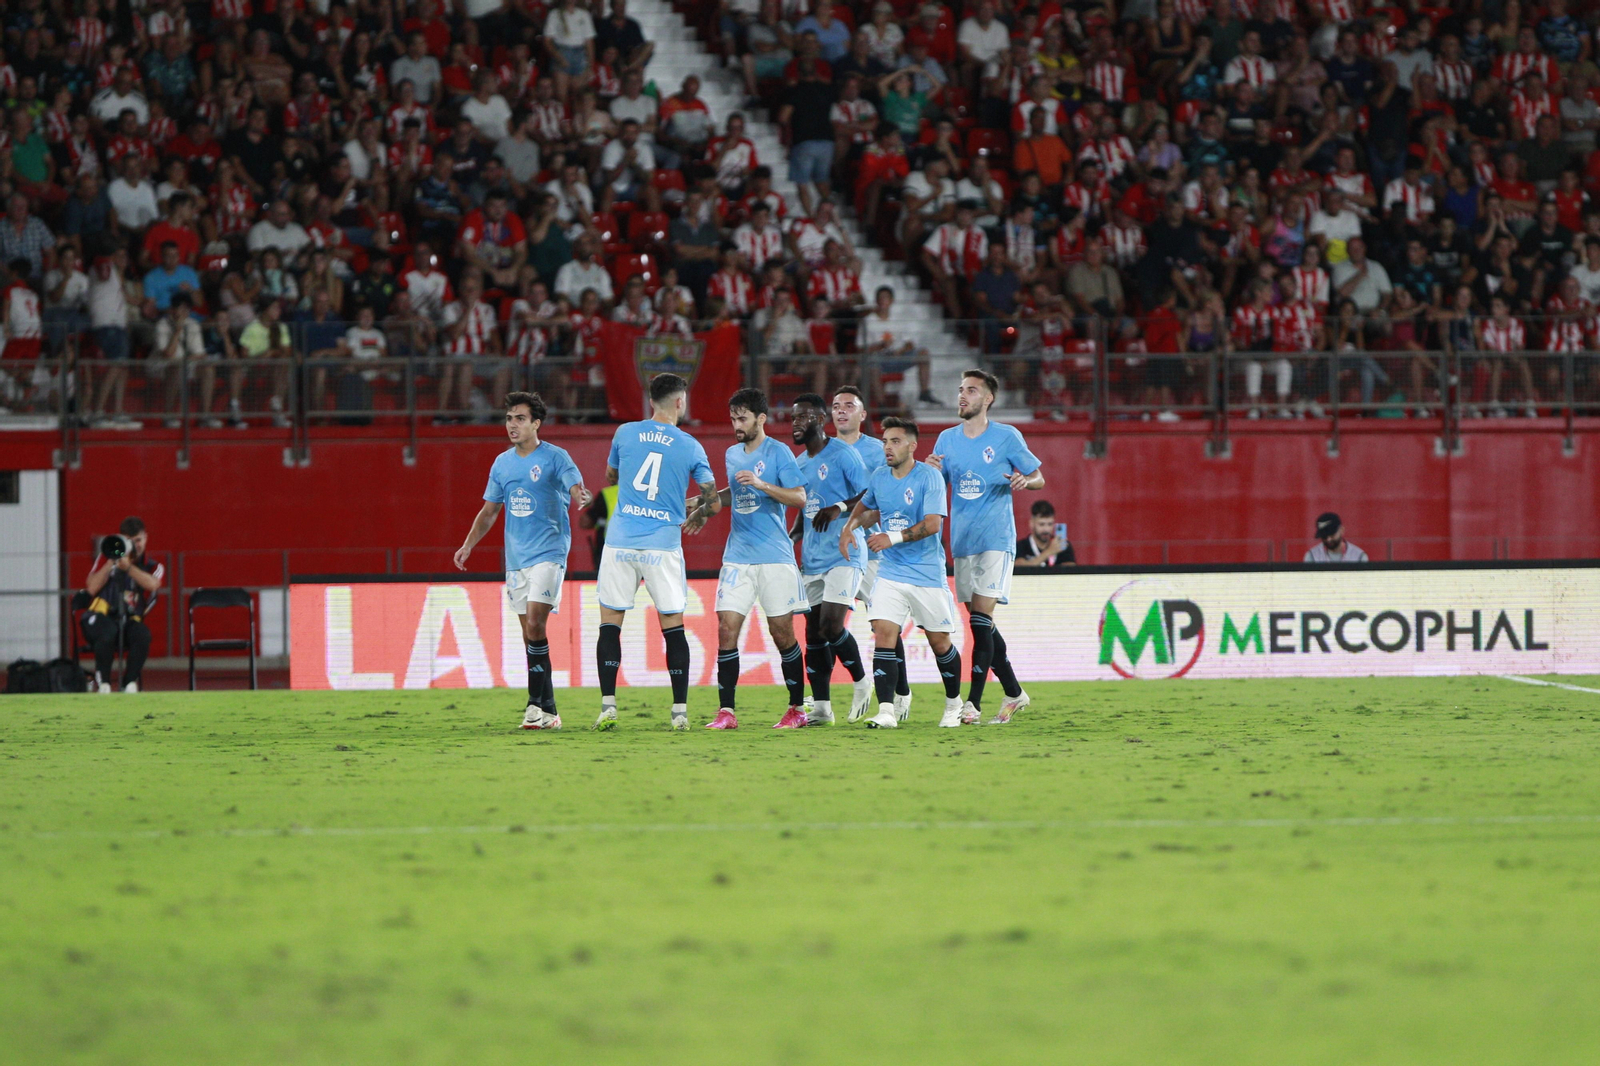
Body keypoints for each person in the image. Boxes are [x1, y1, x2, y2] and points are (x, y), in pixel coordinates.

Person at [453, 392, 590, 730]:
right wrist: (468, 545)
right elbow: (490, 511)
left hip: (549, 552)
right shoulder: (502, 463)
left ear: (536, 423)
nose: (512, 425)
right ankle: (550, 712)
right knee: (531, 638)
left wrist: (580, 494)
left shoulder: (555, 457)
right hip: (516, 559)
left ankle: (532, 704)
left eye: (519, 419)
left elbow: (574, 483)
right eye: (508, 418)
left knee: (535, 625)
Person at [594, 373, 719, 731]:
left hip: (620, 541)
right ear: (680, 402)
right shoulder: (690, 445)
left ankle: (608, 707)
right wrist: (696, 511)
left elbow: (612, 476)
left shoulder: (624, 433)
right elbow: (712, 501)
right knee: (673, 626)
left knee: (610, 623)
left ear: (651, 401)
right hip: (662, 545)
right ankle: (679, 712)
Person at [681, 389, 808, 729]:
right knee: (726, 628)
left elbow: (799, 497)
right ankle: (727, 712)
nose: (736, 425)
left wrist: (763, 484)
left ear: (761, 419)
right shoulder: (732, 454)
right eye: (733, 419)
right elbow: (734, 495)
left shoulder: (779, 452)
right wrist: (701, 503)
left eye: (743, 418)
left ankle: (797, 708)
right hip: (738, 556)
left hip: (774, 557)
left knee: (781, 633)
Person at [927, 369, 1044, 725]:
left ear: (988, 398)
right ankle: (1014, 693)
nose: (962, 395)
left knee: (980, 620)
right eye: (961, 389)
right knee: (983, 625)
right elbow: (936, 488)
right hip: (963, 542)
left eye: (972, 390)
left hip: (996, 538)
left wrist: (1026, 481)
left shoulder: (1006, 437)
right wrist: (928, 472)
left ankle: (972, 705)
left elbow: (1038, 477)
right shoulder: (946, 440)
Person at [838, 417, 964, 729]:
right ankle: (886, 711)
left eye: (895, 441)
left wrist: (891, 538)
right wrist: (849, 527)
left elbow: (933, 524)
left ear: (912, 446)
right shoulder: (880, 476)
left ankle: (954, 703)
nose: (887, 447)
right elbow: (865, 506)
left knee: (940, 643)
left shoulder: (929, 477)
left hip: (926, 574)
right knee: (883, 632)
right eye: (885, 441)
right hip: (891, 572)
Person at [788, 393, 874, 726]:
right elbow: (805, 510)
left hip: (845, 552)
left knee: (831, 625)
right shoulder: (799, 464)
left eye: (803, 417)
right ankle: (822, 708)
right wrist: (791, 539)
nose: (796, 423)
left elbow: (869, 495)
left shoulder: (843, 454)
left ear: (820, 420)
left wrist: (838, 507)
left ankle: (862, 681)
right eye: (793, 418)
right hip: (812, 557)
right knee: (813, 635)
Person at [831, 384, 907, 719]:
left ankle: (901, 691)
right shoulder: (824, 450)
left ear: (863, 414)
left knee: (883, 626)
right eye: (837, 405)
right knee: (826, 625)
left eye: (849, 405)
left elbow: (892, 494)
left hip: (874, 550)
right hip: (834, 552)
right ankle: (845, 688)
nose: (841, 410)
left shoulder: (880, 450)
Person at [82, 517, 165, 693]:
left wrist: (128, 568)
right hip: (99, 617)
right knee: (107, 631)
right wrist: (112, 560)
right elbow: (91, 587)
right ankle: (104, 683)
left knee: (142, 634)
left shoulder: (153, 566)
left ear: (146, 538)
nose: (135, 546)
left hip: (128, 620)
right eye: (129, 541)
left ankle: (129, 683)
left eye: (138, 540)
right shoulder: (106, 557)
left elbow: (153, 584)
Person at [1015, 500, 1074, 567]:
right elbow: (1020, 568)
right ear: (1031, 524)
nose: (1046, 529)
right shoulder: (1021, 546)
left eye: (1050, 524)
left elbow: (1071, 571)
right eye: (1041, 524)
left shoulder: (1062, 545)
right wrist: (1049, 552)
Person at [1304, 511, 1369, 563]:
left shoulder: (1359, 557)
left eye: (1332, 534)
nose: (1328, 539)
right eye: (1324, 536)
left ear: (1342, 530)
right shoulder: (1312, 556)